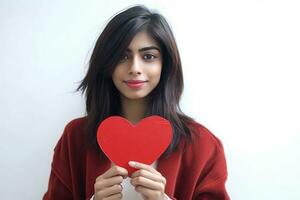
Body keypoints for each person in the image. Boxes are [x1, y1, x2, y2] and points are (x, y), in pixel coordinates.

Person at [43, 5, 230, 200]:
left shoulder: (202, 144)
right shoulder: (75, 137)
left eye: (148, 56)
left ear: (165, 65)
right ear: (107, 63)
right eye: (122, 56)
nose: (135, 68)